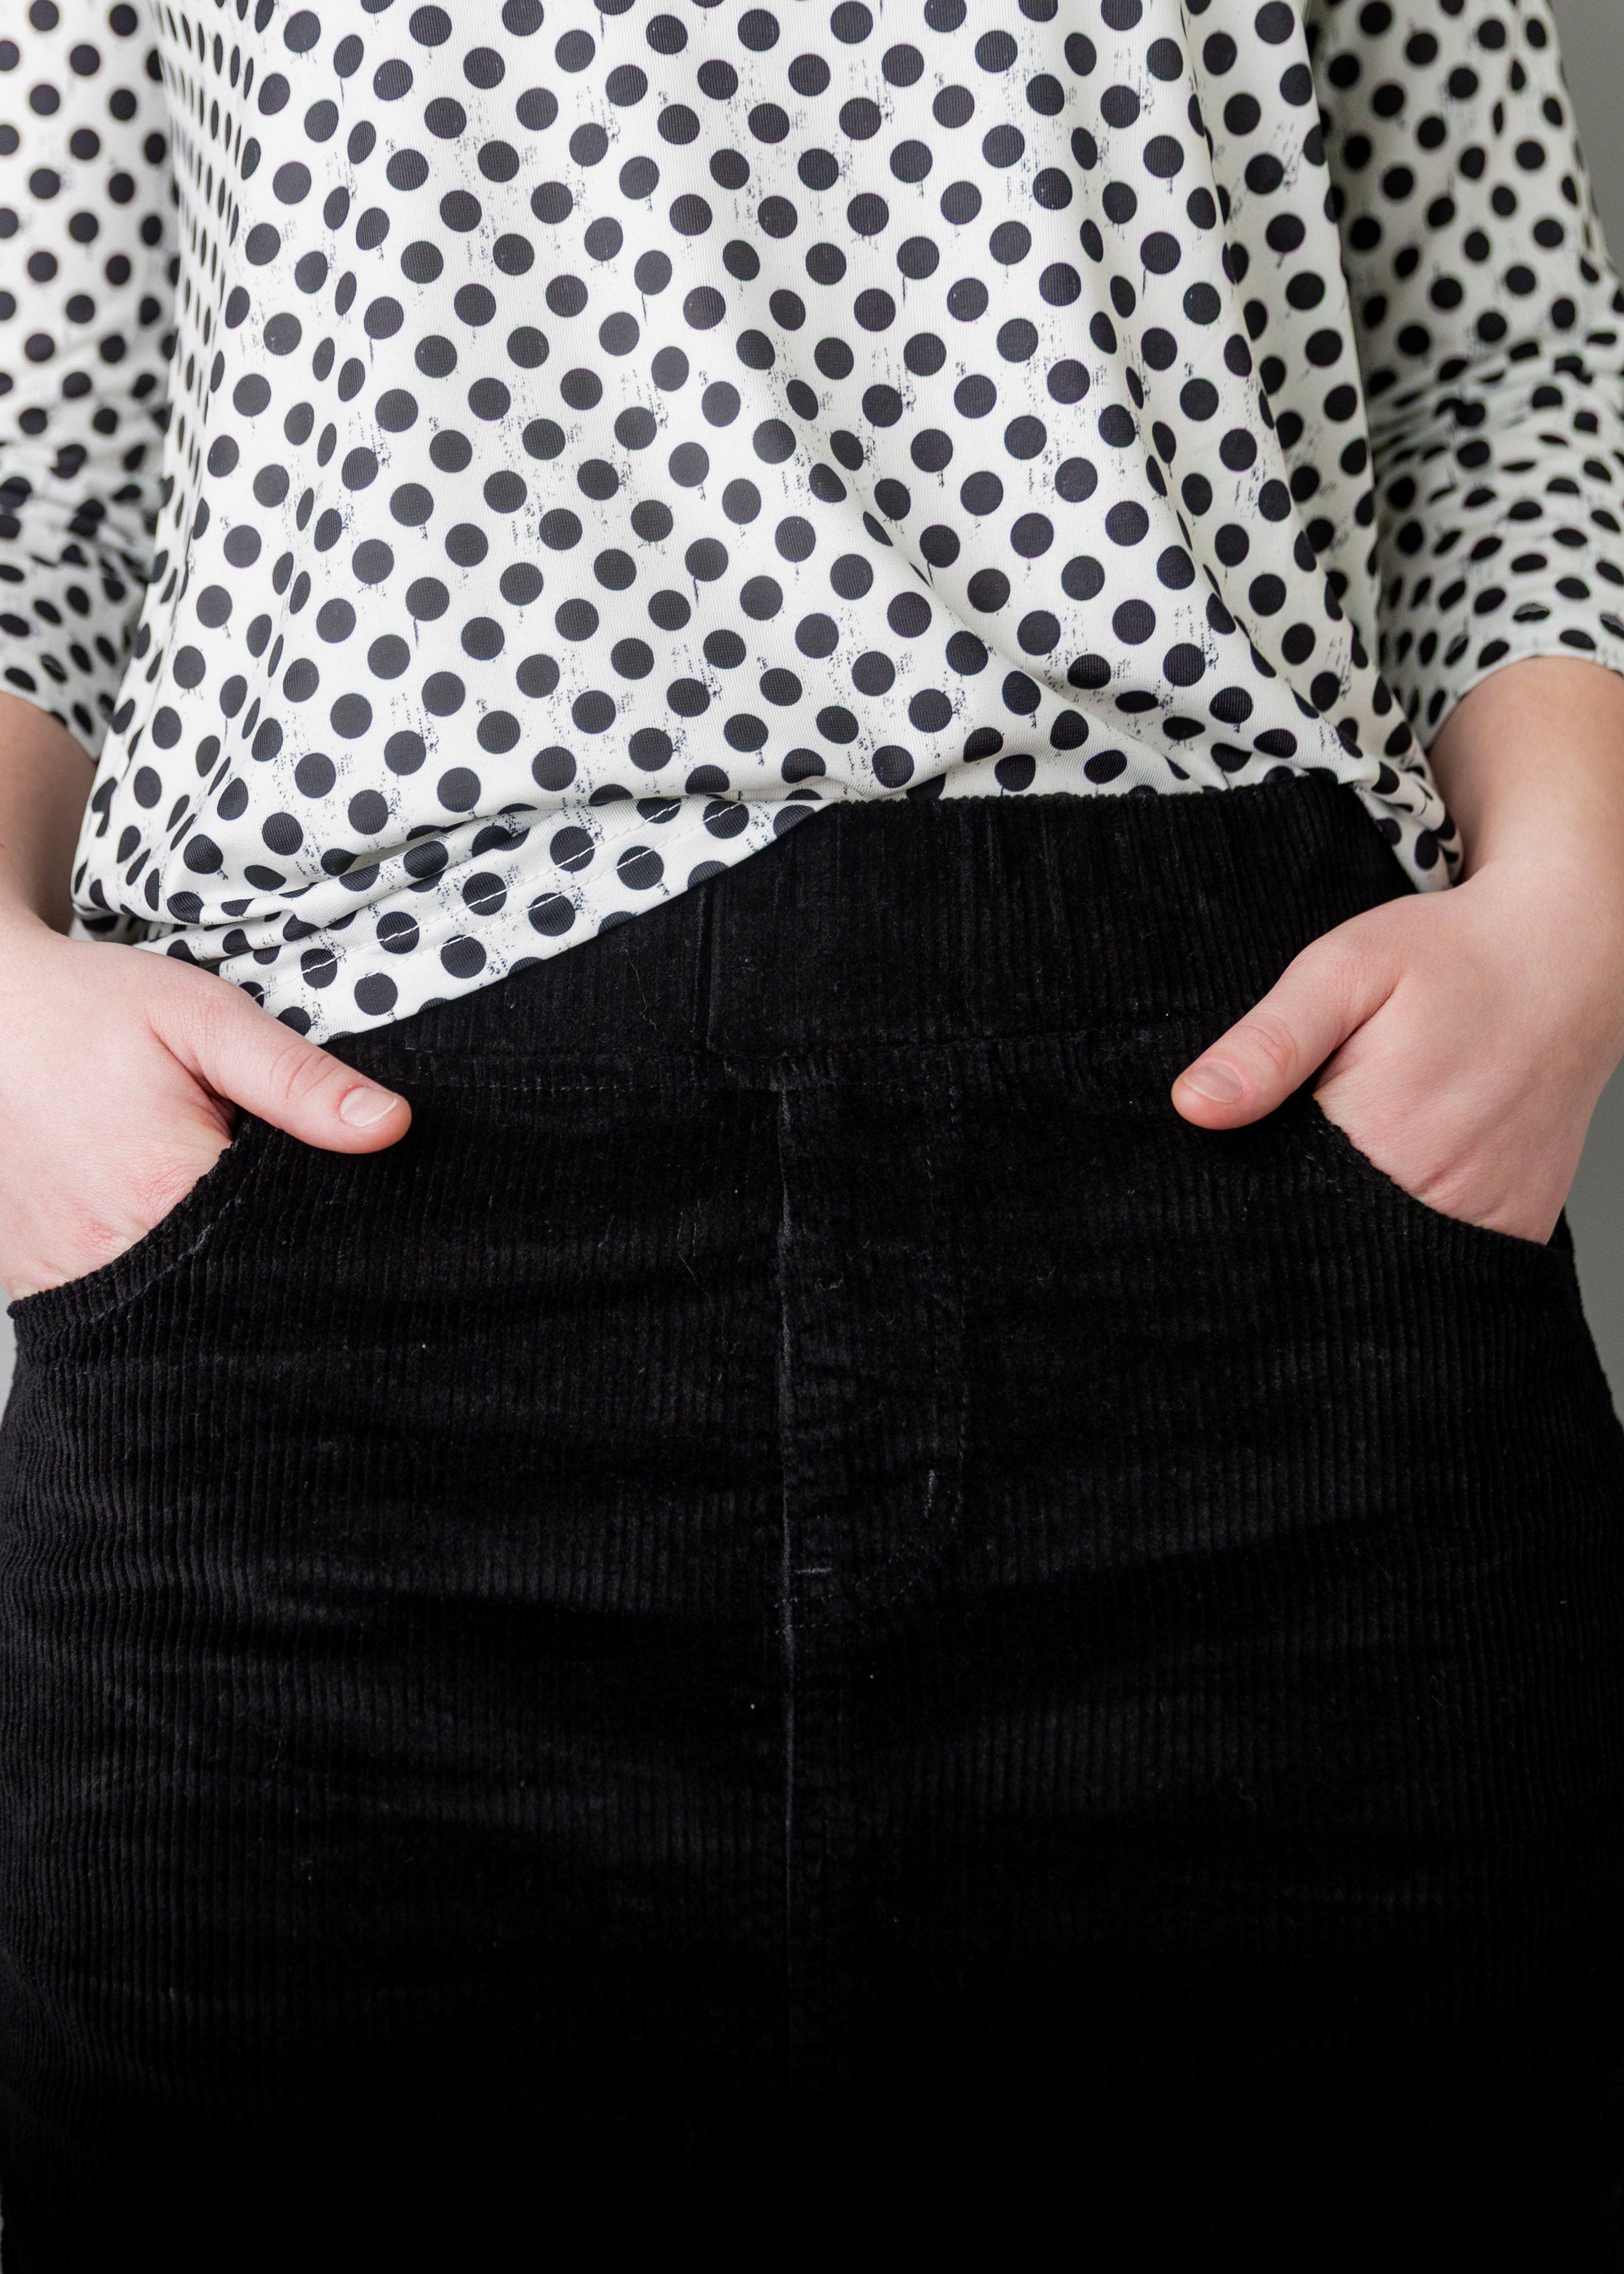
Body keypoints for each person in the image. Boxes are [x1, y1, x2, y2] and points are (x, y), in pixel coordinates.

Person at [1, 0, 1622, 2256]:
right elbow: (49, 442)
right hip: (342, 1284)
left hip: (1248, 1243)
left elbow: (1497, 356)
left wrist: (1572, 907)